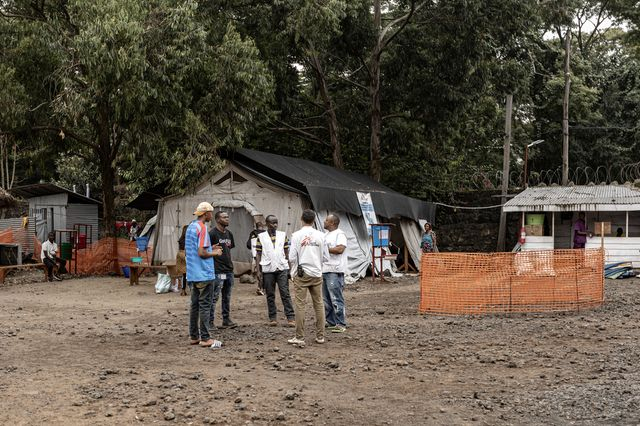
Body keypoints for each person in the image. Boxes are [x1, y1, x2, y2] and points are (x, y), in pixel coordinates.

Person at [186, 202, 223, 348]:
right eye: (211, 213)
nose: (211, 216)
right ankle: (206, 338)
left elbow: (197, 248)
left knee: (194, 305)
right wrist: (215, 252)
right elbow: (201, 253)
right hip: (204, 274)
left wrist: (210, 247)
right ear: (206, 213)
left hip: (192, 274)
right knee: (205, 306)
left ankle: (194, 336)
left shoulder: (191, 226)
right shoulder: (202, 228)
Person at [288, 209, 326, 347]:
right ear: (314, 220)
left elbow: (292, 257)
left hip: (301, 274)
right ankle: (320, 336)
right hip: (316, 273)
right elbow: (326, 256)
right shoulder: (321, 235)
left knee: (300, 304)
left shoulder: (296, 235)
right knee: (319, 304)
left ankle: (299, 337)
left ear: (301, 219)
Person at [255, 215, 295, 327]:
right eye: (272, 223)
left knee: (285, 293)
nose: (275, 225)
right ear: (267, 224)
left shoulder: (283, 235)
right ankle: (272, 318)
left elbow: (287, 252)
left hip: (282, 267)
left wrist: (289, 268)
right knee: (270, 294)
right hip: (268, 269)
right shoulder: (261, 237)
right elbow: (258, 254)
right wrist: (258, 270)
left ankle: (290, 317)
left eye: (276, 222)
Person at [209, 211, 237, 329]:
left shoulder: (229, 234)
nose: (227, 219)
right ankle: (210, 322)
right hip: (218, 271)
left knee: (227, 296)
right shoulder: (212, 234)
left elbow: (229, 250)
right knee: (214, 296)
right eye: (224, 217)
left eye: (227, 217)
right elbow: (205, 250)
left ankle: (226, 320)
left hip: (228, 270)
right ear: (217, 219)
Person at [322, 214, 348, 333]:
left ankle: (341, 323)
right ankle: (331, 322)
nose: (324, 221)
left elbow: (340, 249)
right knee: (326, 298)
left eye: (327, 220)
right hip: (325, 269)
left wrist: (324, 250)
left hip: (335, 270)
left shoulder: (340, 234)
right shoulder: (326, 235)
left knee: (336, 298)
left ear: (332, 223)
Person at [247, 222, 266, 295]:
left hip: (256, 255)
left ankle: (260, 287)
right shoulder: (265, 233)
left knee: (259, 270)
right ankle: (262, 287)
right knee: (264, 271)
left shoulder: (252, 233)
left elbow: (248, 245)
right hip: (265, 255)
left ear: (256, 226)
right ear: (263, 226)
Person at [176, 225, 188, 296]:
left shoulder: (181, 239)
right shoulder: (187, 239)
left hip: (180, 254)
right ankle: (185, 289)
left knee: (184, 273)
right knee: (187, 273)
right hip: (185, 254)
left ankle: (183, 290)